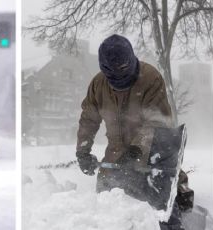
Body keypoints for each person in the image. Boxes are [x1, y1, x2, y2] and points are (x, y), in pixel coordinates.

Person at [75, 34, 187, 229]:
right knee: (105, 210)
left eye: (123, 73)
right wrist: (82, 151)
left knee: (162, 212)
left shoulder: (150, 78)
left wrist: (136, 151)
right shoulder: (98, 84)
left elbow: (157, 121)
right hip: (114, 157)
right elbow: (89, 119)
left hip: (151, 155)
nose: (119, 81)